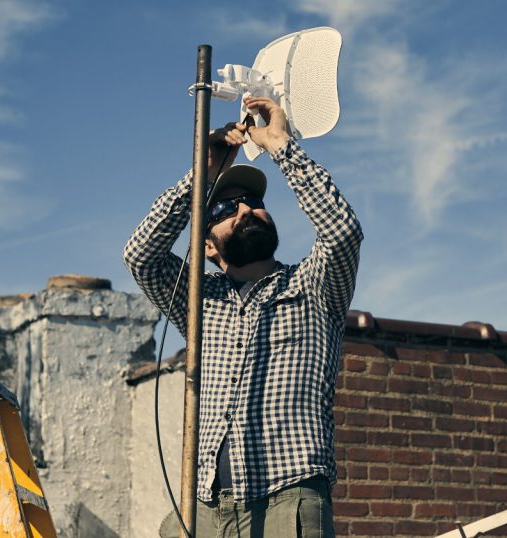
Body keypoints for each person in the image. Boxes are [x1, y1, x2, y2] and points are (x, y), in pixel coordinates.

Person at [124, 96, 362, 538]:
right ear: (208, 247)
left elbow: (342, 231)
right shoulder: (198, 299)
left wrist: (280, 147)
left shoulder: (313, 286)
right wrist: (203, 175)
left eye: (252, 202)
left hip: (287, 498)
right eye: (224, 210)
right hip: (207, 506)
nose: (245, 210)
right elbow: (140, 256)